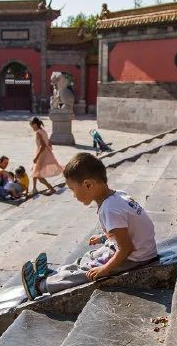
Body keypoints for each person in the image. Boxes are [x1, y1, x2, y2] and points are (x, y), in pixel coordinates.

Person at [20, 153, 157, 300]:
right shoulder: (117, 196)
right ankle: (54, 275)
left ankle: (40, 287)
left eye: (73, 189)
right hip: (139, 249)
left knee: (88, 270)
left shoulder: (110, 209)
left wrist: (105, 269)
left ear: (88, 185)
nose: (73, 195)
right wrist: (104, 237)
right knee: (88, 257)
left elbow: (127, 248)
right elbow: (127, 229)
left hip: (135, 257)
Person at [29, 117, 63, 196]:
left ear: (35, 124)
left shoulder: (38, 133)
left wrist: (36, 157)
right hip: (45, 153)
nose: (31, 127)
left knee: (38, 174)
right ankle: (34, 189)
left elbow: (43, 145)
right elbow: (49, 142)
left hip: (41, 154)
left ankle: (51, 188)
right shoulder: (43, 131)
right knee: (35, 171)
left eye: (32, 125)